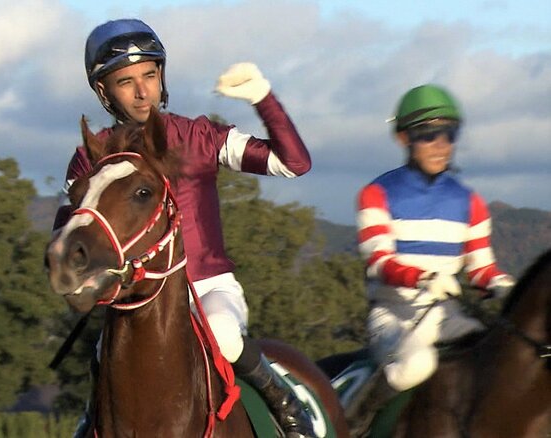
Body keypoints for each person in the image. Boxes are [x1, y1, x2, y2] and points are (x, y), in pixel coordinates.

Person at [53, 18, 315, 437]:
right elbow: (68, 238)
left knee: (225, 336)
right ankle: (90, 424)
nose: (142, 92)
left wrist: (262, 97)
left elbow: (294, 163)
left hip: (209, 288)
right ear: (104, 91)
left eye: (150, 76)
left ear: (162, 76)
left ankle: (286, 408)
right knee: (105, 352)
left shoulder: (200, 137)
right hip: (137, 298)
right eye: (126, 81)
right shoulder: (91, 157)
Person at [347, 84, 516, 435]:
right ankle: (355, 422)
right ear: (403, 138)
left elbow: (481, 268)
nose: (441, 144)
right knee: (417, 363)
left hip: (449, 316)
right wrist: (422, 278)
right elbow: (378, 262)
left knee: (503, 359)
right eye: (428, 134)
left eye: (449, 133)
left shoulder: (470, 202)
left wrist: (502, 285)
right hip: (394, 315)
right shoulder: (376, 193)